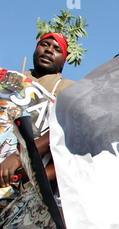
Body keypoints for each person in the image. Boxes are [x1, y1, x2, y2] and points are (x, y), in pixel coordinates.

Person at [0, 33, 73, 195]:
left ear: (64, 59)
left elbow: (67, 133)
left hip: (26, 179)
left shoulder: (69, 90)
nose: (49, 50)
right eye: (45, 44)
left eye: (56, 49)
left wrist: (18, 157)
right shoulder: (9, 80)